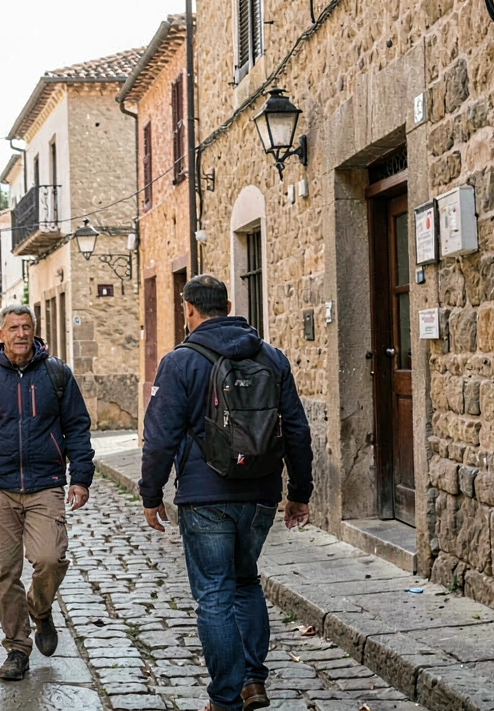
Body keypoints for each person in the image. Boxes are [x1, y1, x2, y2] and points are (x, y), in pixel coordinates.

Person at [138, 275, 314, 711]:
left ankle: (225, 698)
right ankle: (253, 681)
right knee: (246, 581)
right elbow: (296, 429)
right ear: (229, 306)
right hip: (260, 492)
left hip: (205, 496)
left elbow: (159, 438)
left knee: (214, 593)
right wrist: (299, 491)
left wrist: (151, 493)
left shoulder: (180, 362)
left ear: (188, 309)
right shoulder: (272, 357)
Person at [0, 304, 94, 682]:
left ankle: (40, 607)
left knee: (50, 558)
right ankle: (17, 648)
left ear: (34, 330)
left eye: (26, 327)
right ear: (1, 333)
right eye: (13, 328)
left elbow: (77, 426)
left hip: (45, 484)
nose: (20, 334)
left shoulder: (56, 373)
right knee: (5, 572)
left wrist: (81, 477)